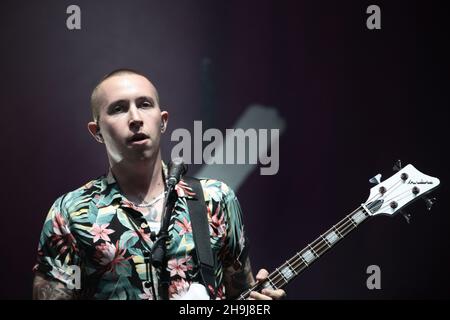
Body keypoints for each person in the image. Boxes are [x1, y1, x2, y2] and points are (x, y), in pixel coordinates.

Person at [32, 69, 286, 300]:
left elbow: (239, 293)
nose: (135, 118)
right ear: (96, 131)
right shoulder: (71, 212)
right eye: (118, 109)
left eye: (144, 104)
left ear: (163, 121)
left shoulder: (215, 199)